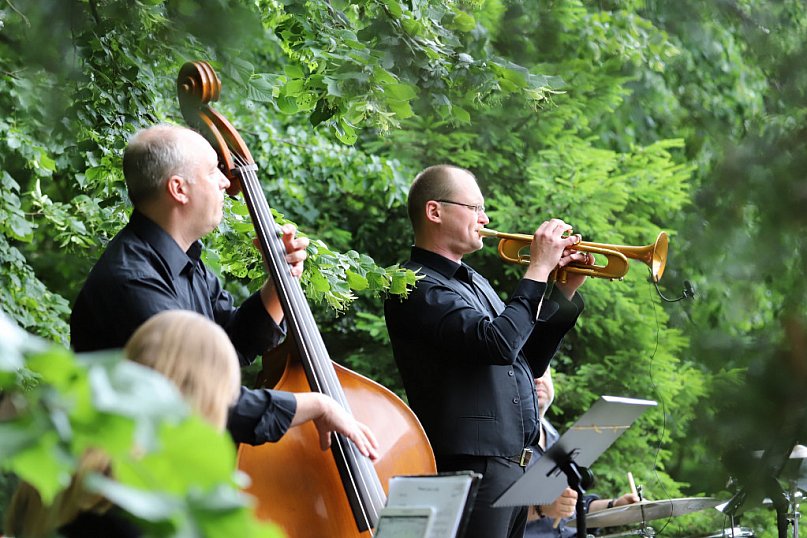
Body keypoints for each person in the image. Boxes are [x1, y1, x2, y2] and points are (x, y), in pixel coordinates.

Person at [69, 124, 377, 455]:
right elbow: (202, 398)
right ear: (179, 189)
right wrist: (318, 405)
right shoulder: (132, 280)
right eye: (213, 169)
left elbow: (230, 343)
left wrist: (279, 283)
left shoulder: (185, 262)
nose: (225, 181)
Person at [384, 164, 592, 538]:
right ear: (435, 211)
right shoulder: (414, 284)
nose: (486, 217)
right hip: (469, 470)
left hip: (509, 470)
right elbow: (496, 343)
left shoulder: (473, 282)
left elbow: (523, 359)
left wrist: (563, 292)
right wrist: (539, 268)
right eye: (475, 208)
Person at [525, 368, 640, 537]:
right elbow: (485, 509)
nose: (539, 379)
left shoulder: (555, 438)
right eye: (531, 373)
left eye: (544, 372)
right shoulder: (505, 443)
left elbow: (572, 505)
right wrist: (541, 508)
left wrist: (615, 506)